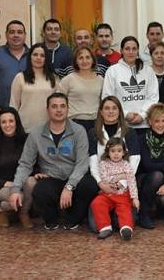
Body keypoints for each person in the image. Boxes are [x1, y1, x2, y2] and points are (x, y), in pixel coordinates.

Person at [8, 93, 98, 230]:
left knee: (90, 185)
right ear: (47, 110)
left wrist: (69, 186)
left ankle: (73, 219)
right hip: (51, 178)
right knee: (40, 190)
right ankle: (51, 220)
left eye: (62, 106)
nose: (59, 110)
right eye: (54, 106)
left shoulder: (78, 131)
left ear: (68, 109)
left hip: (74, 176)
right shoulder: (36, 133)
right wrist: (15, 189)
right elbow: (25, 164)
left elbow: (82, 163)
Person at [102, 35, 159, 132]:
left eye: (134, 49)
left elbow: (153, 97)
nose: (131, 52)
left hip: (145, 125)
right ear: (121, 50)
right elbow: (108, 98)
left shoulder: (148, 70)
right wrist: (125, 114)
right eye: (127, 49)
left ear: (138, 51)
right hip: (121, 125)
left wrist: (142, 115)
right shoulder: (112, 71)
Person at [88, 96, 141, 201]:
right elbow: (93, 161)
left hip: (125, 182)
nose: (111, 111)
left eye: (114, 108)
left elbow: (135, 159)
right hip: (101, 180)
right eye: (107, 108)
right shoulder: (93, 133)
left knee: (125, 216)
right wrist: (101, 183)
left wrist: (121, 182)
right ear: (101, 112)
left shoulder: (129, 132)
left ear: (120, 111)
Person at [90, 137, 140, 240]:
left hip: (122, 194)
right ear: (108, 152)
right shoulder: (103, 164)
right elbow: (105, 179)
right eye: (113, 151)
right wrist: (120, 176)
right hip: (107, 194)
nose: (116, 154)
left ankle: (126, 229)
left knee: (124, 209)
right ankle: (105, 227)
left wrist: (135, 197)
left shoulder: (126, 165)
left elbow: (131, 181)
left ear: (124, 152)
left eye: (119, 151)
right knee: (97, 203)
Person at [9, 43, 59, 133]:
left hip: (49, 128)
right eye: (35, 54)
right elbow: (13, 105)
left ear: (46, 59)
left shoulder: (54, 78)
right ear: (30, 57)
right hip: (25, 128)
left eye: (42, 55)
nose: (38, 58)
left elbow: (58, 104)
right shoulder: (20, 77)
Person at [59, 46, 104, 133]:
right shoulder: (68, 79)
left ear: (93, 60)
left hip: (96, 123)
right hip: (74, 123)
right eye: (81, 58)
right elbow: (59, 101)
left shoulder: (100, 80)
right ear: (76, 61)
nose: (84, 61)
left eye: (88, 57)